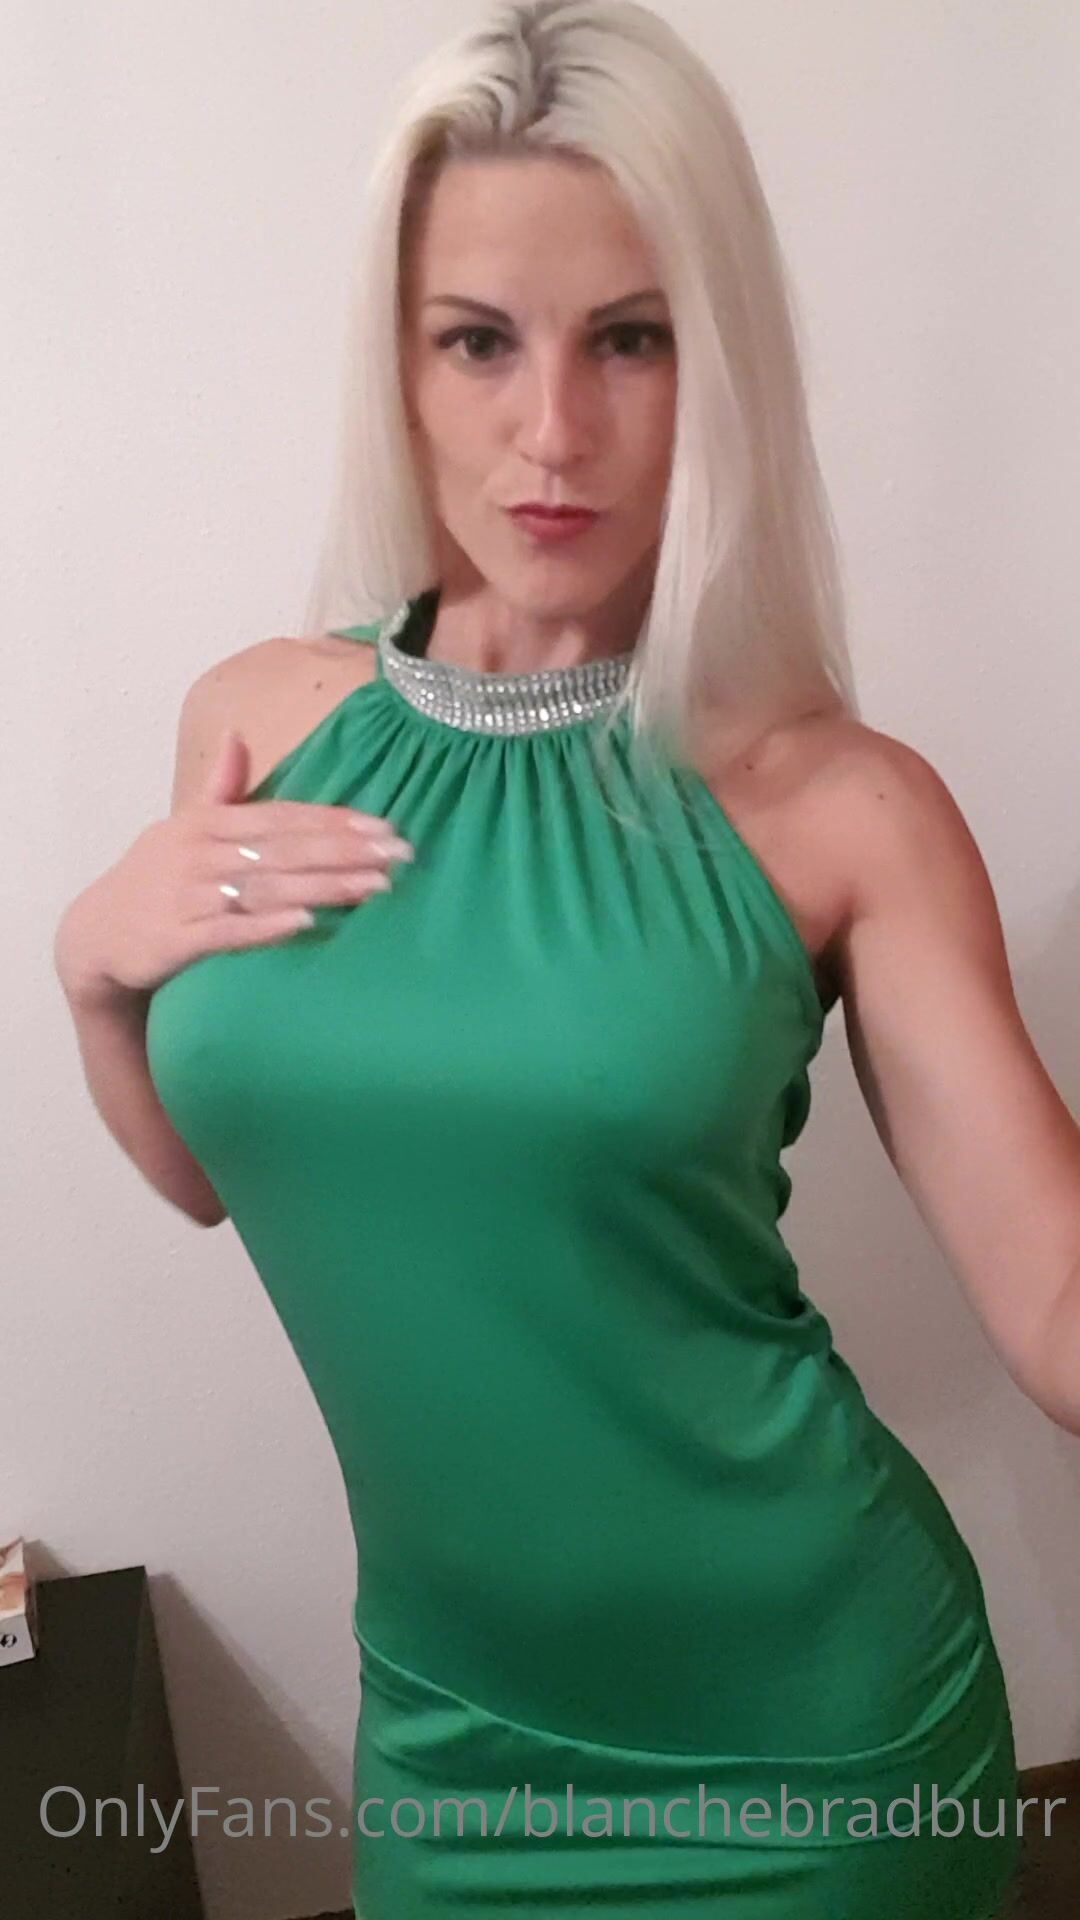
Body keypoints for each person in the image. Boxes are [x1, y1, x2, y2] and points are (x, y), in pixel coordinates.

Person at [53, 2, 1080, 1915]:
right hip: (453, 1739)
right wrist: (93, 980)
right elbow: (219, 1176)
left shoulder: (835, 806)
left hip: (812, 1747)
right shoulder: (255, 728)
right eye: (480, 340)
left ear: (721, 365)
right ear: (399, 363)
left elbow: (1057, 1303)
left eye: (632, 338)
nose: (555, 432)